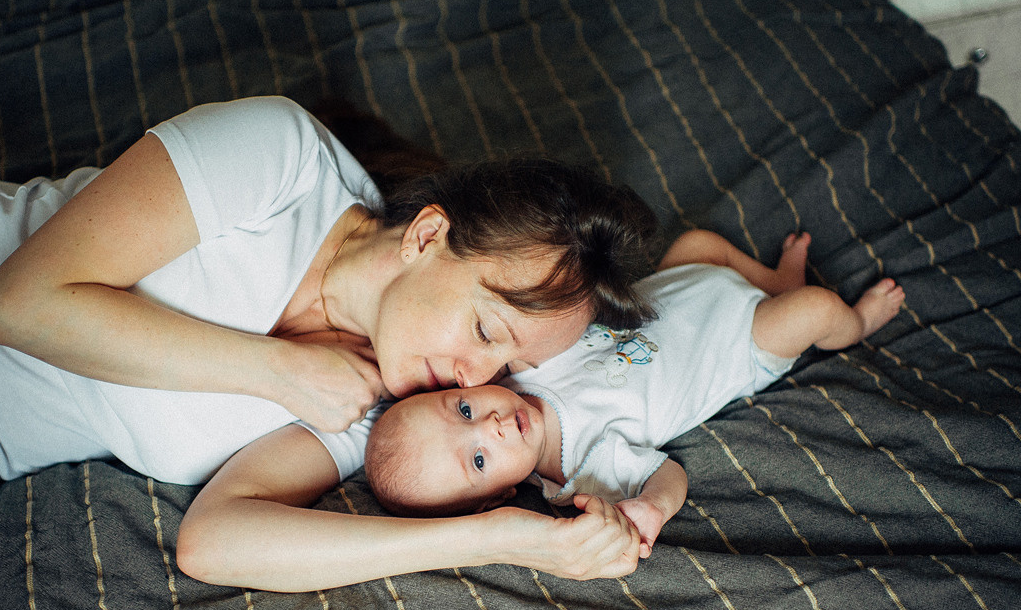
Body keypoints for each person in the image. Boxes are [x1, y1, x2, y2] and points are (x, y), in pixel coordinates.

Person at [0, 95, 658, 586]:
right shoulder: (284, 159)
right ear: (428, 235)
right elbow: (17, 306)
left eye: (507, 365)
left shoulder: (399, 416)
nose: (479, 373)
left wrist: (500, 538)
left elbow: (215, 541)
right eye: (486, 327)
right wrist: (279, 370)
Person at [363, 229, 906, 561]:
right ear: (496, 499)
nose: (492, 425)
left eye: (463, 410)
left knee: (697, 243)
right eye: (479, 458)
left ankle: (769, 276)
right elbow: (668, 474)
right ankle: (855, 321)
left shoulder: (509, 370)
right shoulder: (582, 470)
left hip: (681, 286)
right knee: (815, 309)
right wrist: (654, 507)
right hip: (743, 338)